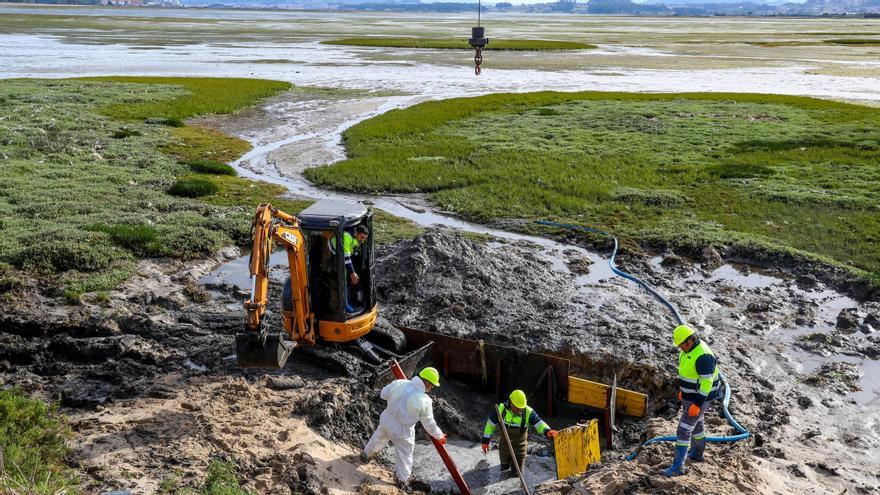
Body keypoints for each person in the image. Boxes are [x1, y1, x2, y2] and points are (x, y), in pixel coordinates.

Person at [363, 367, 446, 487]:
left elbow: (383, 394)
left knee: (378, 438)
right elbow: (429, 423)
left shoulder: (400, 383)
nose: (432, 388)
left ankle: (366, 455)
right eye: (432, 385)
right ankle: (402, 480)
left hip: (386, 419)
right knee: (405, 455)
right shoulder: (424, 400)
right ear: (427, 382)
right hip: (402, 430)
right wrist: (439, 435)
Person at [665, 324, 722, 477]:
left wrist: (698, 403)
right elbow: (687, 372)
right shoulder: (688, 350)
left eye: (680, 345)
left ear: (689, 341)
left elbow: (707, 383)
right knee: (697, 424)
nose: (679, 348)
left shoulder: (703, 356)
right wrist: (682, 391)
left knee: (684, 429)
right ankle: (697, 453)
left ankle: (677, 467)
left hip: (701, 397)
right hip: (689, 395)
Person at [481, 389, 558, 474]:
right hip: (504, 446)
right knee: (503, 469)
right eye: (517, 408)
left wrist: (547, 431)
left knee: (516, 473)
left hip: (520, 448)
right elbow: (490, 425)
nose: (519, 410)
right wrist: (485, 440)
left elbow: (539, 423)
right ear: (511, 403)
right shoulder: (501, 409)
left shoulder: (528, 412)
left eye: (521, 408)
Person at [328, 224, 369, 313]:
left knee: (347, 282)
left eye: (365, 238)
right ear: (356, 233)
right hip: (332, 260)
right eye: (362, 237)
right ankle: (345, 306)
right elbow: (346, 258)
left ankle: (347, 302)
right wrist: (352, 273)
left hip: (340, 260)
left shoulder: (354, 238)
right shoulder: (346, 237)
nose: (363, 240)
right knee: (342, 283)